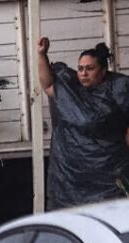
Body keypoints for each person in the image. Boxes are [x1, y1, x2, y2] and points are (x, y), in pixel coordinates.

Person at [37, 38, 129, 210]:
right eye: (80, 69)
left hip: (108, 173)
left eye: (90, 68)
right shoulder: (68, 87)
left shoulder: (119, 88)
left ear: (103, 71)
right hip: (71, 177)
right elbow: (47, 84)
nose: (83, 73)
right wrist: (42, 54)